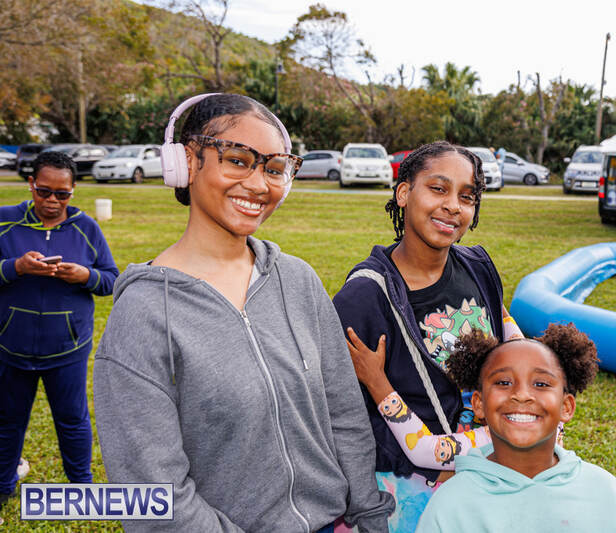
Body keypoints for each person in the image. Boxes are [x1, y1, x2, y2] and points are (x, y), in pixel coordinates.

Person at [93, 93, 393, 532]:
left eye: (273, 169)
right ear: (185, 162)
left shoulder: (299, 280)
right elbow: (153, 495)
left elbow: (345, 417)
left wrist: (369, 517)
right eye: (237, 159)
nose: (258, 185)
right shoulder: (142, 314)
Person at [333, 141, 523, 531]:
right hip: (410, 486)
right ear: (404, 192)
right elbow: (343, 414)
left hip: (487, 467)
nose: (454, 205)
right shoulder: (366, 295)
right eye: (438, 189)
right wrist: (434, 470)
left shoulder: (479, 266)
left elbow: (504, 328)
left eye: (467, 197)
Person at [415, 325, 616, 532]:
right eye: (504, 382)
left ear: (566, 406)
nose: (522, 395)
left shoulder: (605, 491)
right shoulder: (450, 506)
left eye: (541, 384)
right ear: (479, 404)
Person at [0, 151, 118, 511]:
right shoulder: (5, 222)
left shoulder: (87, 228)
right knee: (7, 421)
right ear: (32, 184)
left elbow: (110, 280)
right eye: (44, 192)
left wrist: (85, 276)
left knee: (72, 420)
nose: (52, 201)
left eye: (62, 194)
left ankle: (81, 489)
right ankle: (3, 485)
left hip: (67, 347)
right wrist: (15, 267)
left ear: (73, 190)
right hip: (10, 345)